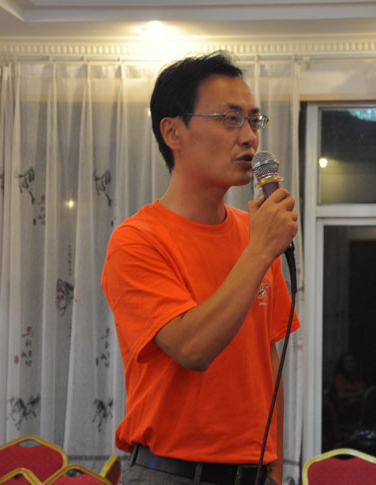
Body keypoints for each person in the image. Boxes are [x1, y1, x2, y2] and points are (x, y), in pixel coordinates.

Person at [101, 51, 300, 485]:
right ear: (173, 132)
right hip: (170, 472)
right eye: (230, 119)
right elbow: (193, 349)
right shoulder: (137, 240)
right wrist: (259, 251)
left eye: (254, 121)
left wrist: (275, 462)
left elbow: (265, 358)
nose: (249, 137)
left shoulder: (253, 234)